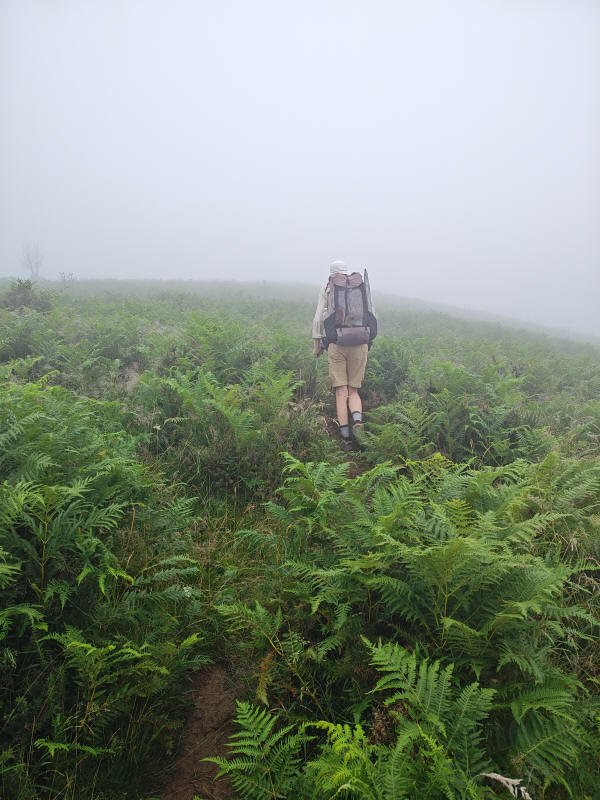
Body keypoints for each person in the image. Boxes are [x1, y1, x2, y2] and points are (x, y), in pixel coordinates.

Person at [312, 260, 375, 450]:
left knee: (341, 391)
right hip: (360, 342)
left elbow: (317, 319)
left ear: (331, 273)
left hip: (337, 343)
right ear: (346, 271)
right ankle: (357, 420)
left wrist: (316, 345)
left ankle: (346, 439)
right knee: (354, 390)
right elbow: (372, 314)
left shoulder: (329, 288)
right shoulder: (359, 286)